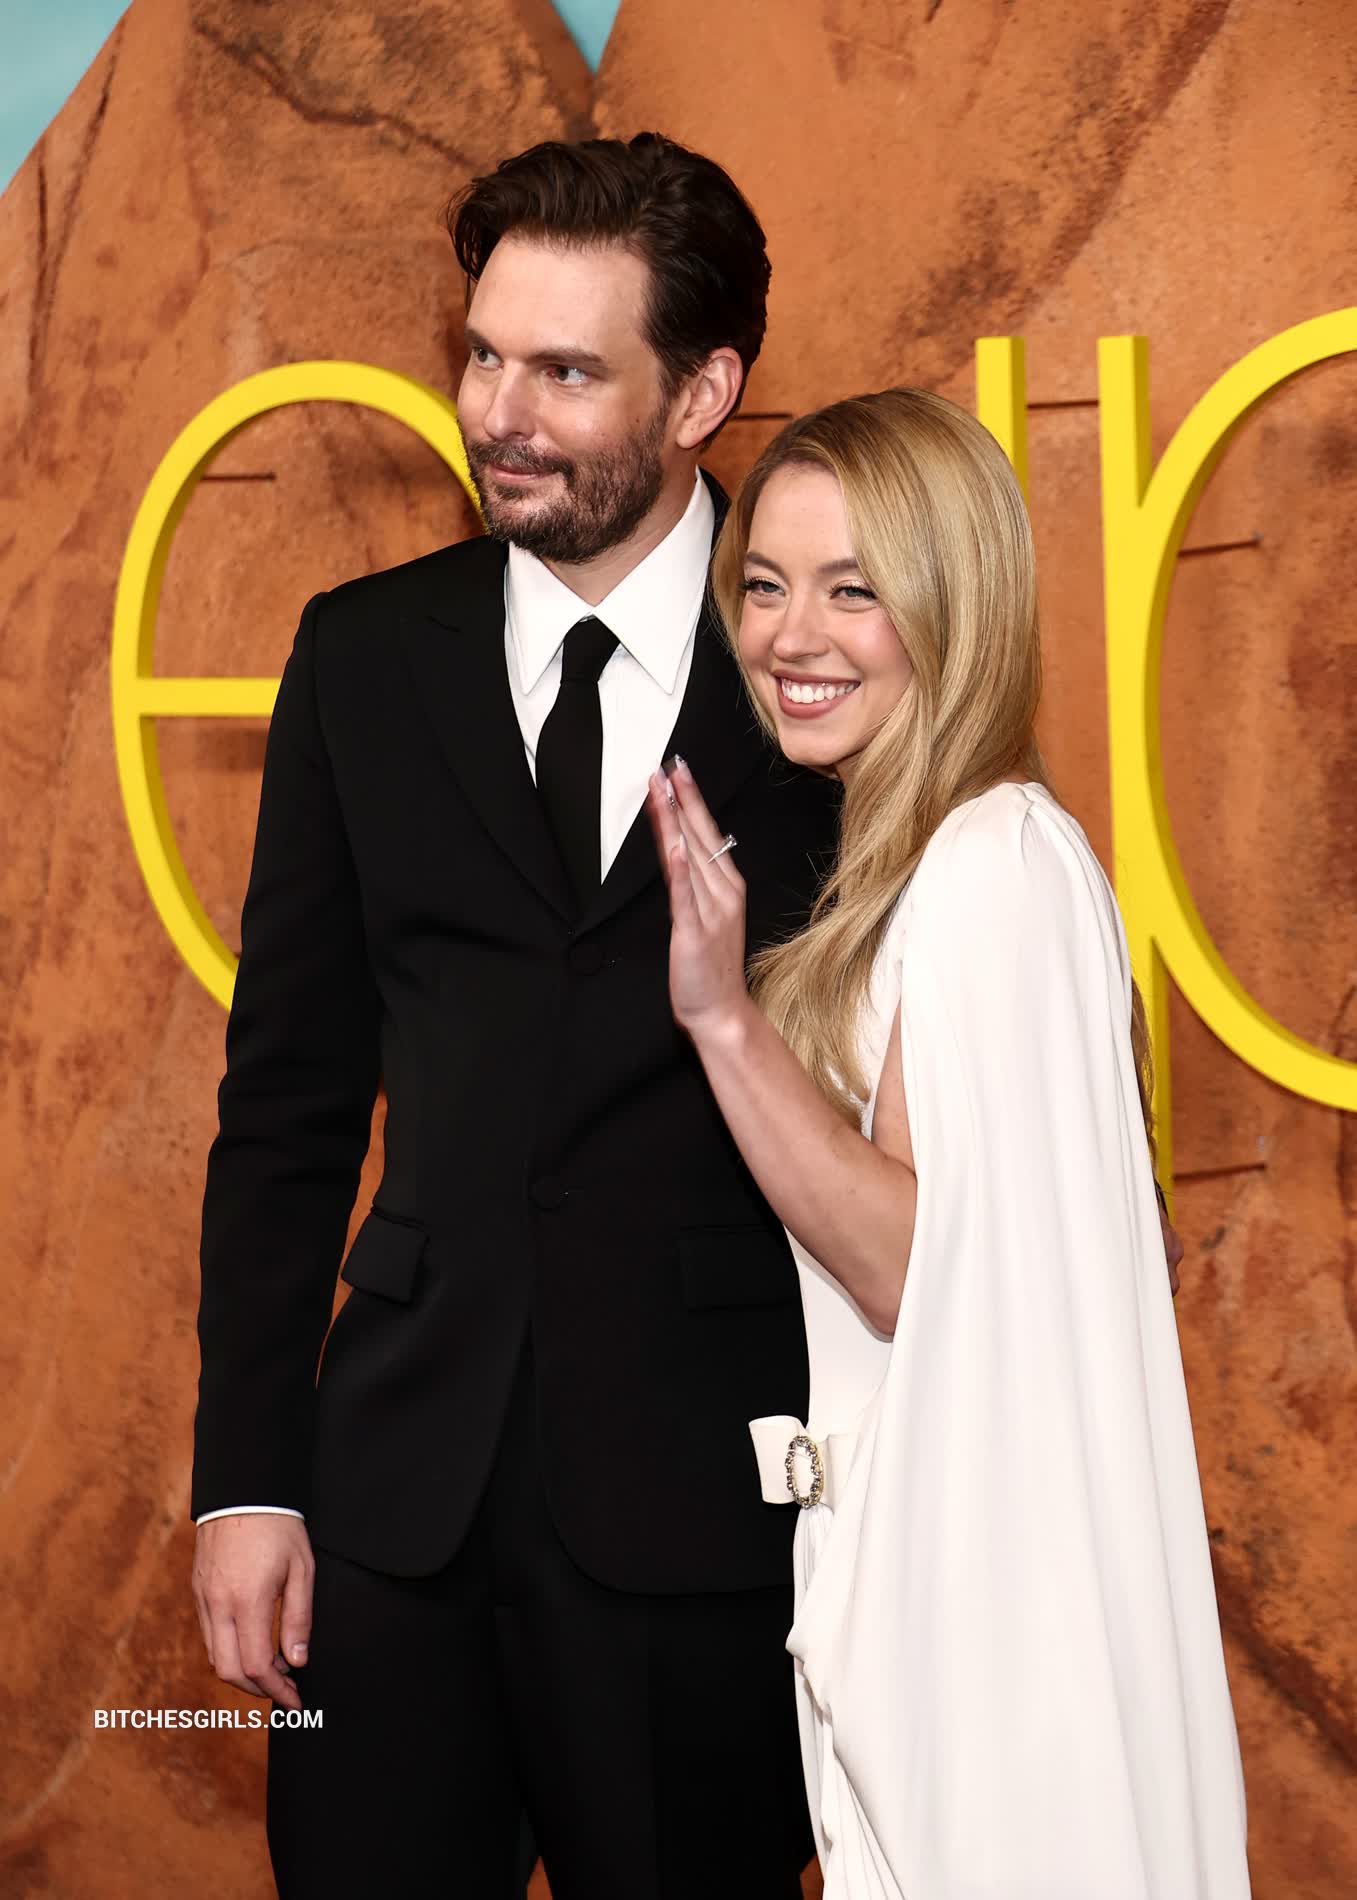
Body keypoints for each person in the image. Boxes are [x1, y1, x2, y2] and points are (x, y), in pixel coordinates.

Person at [189, 131, 838, 1900]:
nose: (498, 414)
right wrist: (247, 1482)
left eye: (564, 371)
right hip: (389, 1514)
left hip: (713, 1522)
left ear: (702, 392)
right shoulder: (362, 654)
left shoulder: (832, 674)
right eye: (481, 355)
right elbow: (286, 1107)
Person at [646, 388, 1251, 1898]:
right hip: (962, 1605)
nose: (791, 636)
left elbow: (912, 1268)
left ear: (954, 602)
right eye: (764, 585)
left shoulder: (990, 863)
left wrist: (720, 1019)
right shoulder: (956, 858)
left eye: (853, 589)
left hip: (987, 1642)